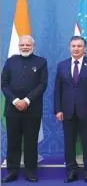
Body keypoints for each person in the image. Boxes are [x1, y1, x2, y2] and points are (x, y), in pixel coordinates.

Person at [54, 36, 87, 183]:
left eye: (79, 46)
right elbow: (58, 90)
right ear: (70, 47)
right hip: (67, 111)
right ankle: (71, 171)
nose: (76, 48)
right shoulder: (61, 65)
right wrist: (58, 110)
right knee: (69, 143)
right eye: (73, 46)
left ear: (85, 48)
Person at [1, 35, 47, 183]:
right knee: (13, 142)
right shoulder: (10, 61)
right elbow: (4, 84)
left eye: (28, 45)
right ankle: (12, 171)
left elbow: (42, 84)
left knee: (31, 142)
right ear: (19, 46)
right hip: (12, 109)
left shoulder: (41, 62)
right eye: (22, 45)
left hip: (32, 110)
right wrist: (15, 101)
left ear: (33, 46)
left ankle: (30, 172)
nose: (25, 47)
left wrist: (27, 101)